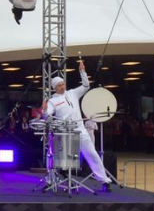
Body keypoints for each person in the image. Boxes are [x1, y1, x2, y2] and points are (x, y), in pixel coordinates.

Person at [44, 59, 113, 191]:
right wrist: (44, 111)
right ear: (54, 87)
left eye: (63, 84)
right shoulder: (52, 101)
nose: (62, 87)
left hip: (80, 130)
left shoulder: (72, 93)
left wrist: (82, 71)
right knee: (53, 155)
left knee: (92, 154)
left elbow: (86, 86)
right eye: (59, 85)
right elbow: (48, 115)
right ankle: (51, 180)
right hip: (64, 132)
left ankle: (105, 181)